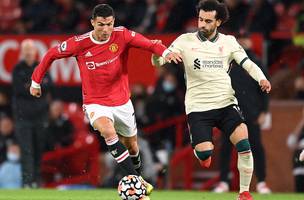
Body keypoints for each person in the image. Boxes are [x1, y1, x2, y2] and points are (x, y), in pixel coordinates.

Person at [29, 4, 181, 197]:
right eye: (100, 25)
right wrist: (35, 81)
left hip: (122, 102)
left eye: (109, 24)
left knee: (132, 144)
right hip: (95, 102)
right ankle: (138, 185)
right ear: (92, 22)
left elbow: (150, 44)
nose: (105, 30)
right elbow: (51, 54)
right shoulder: (79, 43)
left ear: (113, 22)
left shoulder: (122, 35)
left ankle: (138, 178)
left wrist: (166, 53)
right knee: (108, 131)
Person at [151, 0, 271, 199]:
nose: (202, 25)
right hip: (198, 107)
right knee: (206, 155)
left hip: (226, 103)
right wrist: (158, 54)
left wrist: (262, 79)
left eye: (208, 21)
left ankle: (244, 193)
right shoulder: (184, 40)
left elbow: (248, 64)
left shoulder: (229, 42)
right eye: (200, 19)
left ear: (218, 22)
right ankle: (200, 148)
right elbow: (160, 61)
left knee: (244, 142)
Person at [213, 33, 271, 194]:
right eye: (241, 39)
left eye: (246, 39)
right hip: (229, 112)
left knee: (256, 147)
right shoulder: (229, 63)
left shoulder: (256, 63)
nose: (244, 42)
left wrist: (264, 111)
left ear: (251, 42)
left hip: (252, 114)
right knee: (225, 148)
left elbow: (264, 89)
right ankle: (223, 181)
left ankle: (262, 182)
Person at [12, 39, 52, 188]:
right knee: (26, 150)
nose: (28, 52)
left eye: (30, 49)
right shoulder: (18, 69)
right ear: (22, 52)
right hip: (23, 118)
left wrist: (29, 86)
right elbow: (18, 89)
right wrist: (36, 86)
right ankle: (27, 182)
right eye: (26, 50)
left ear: (35, 52)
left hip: (40, 117)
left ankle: (36, 181)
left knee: (38, 149)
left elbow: (49, 85)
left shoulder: (42, 67)